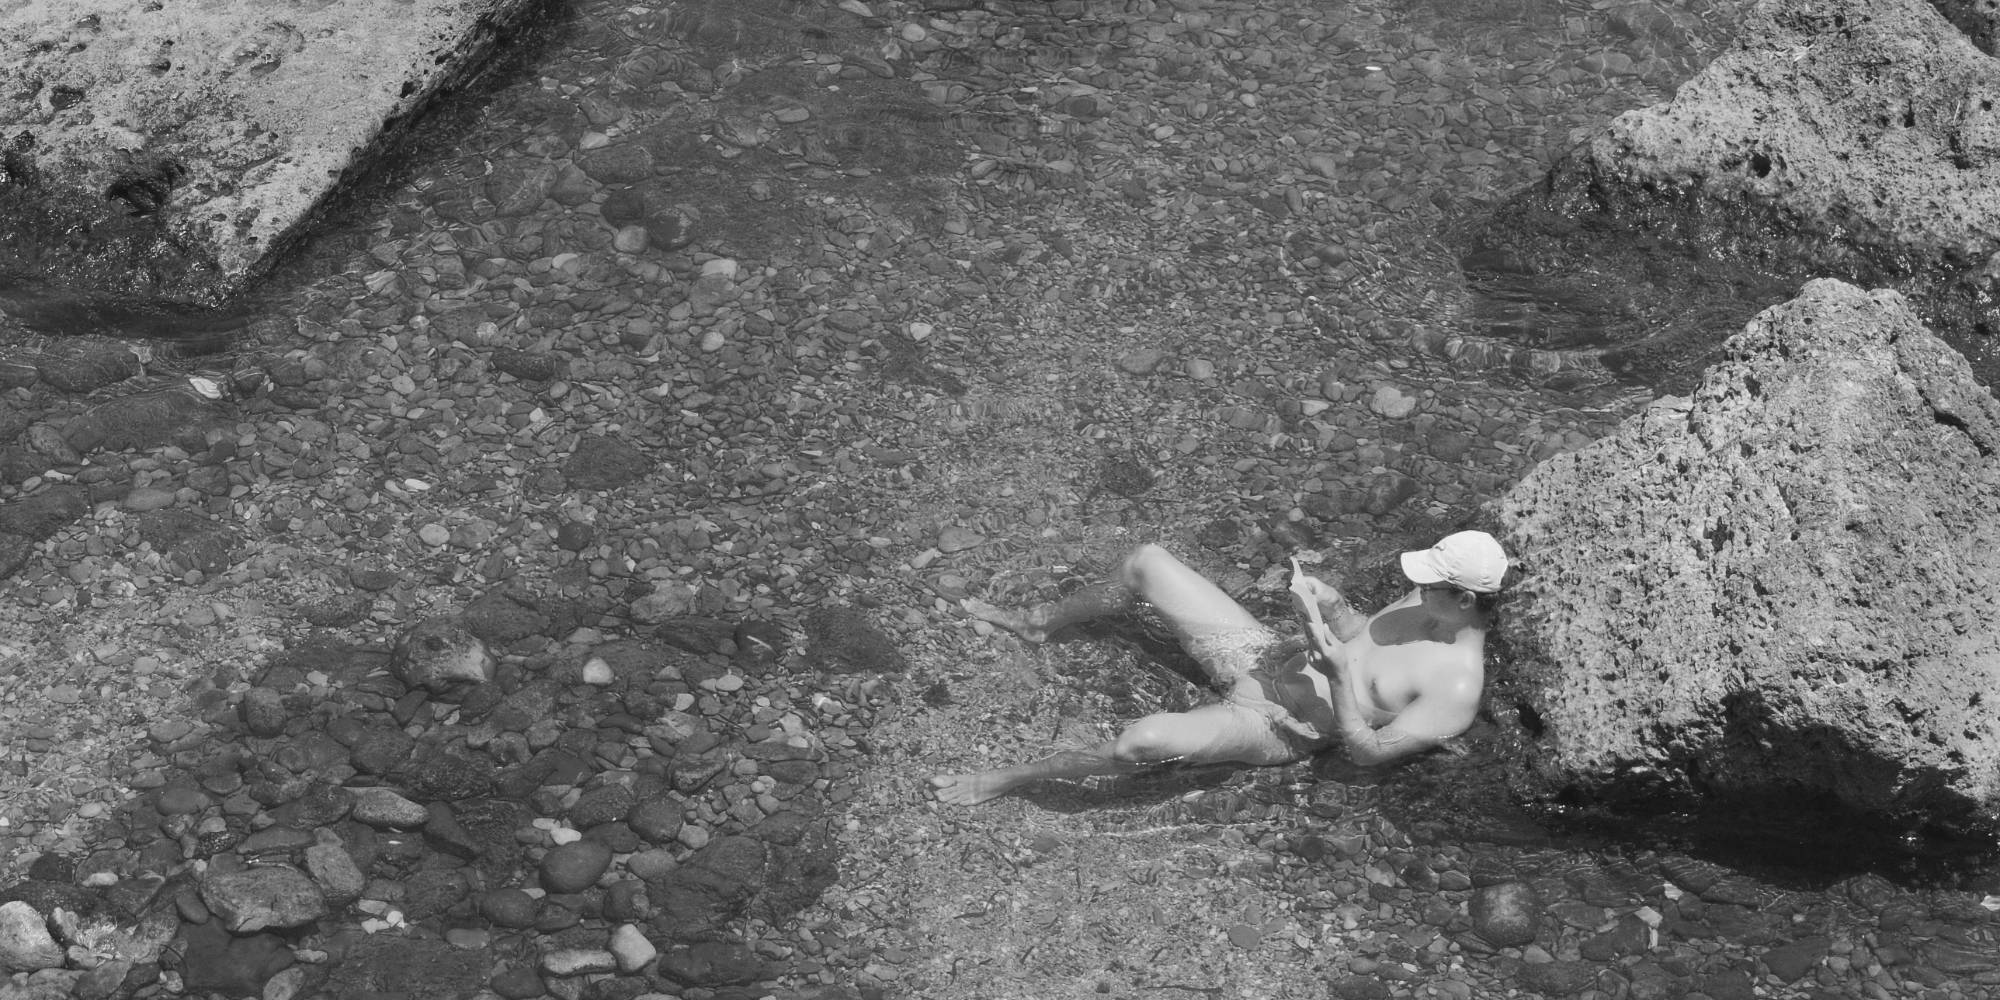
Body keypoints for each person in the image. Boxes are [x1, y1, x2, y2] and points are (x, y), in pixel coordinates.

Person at [929, 530, 1509, 806]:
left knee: (1141, 741)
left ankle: (1017, 777)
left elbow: (1368, 754)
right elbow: (1363, 633)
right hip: (1264, 656)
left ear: (1463, 600)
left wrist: (1336, 677)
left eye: (1429, 584)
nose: (1416, 587)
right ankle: (1040, 622)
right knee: (1146, 562)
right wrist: (1333, 606)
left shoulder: (1455, 690)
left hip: (1275, 724)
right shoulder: (1425, 602)